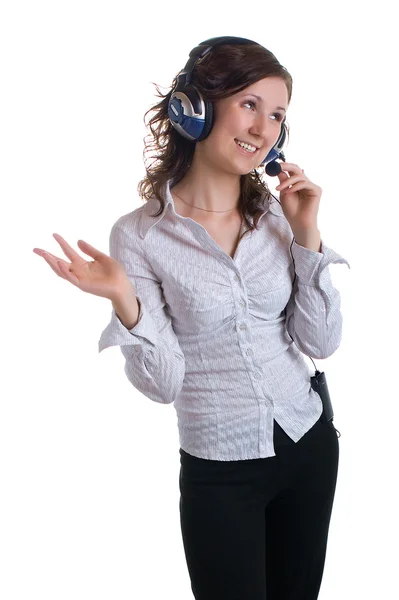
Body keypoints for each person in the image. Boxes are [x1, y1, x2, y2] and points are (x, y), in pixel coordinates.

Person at [33, 36, 350, 600]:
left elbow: (320, 342)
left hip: (309, 442)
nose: (263, 128)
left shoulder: (279, 215)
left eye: (277, 114)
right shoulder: (139, 235)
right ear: (194, 108)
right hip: (220, 465)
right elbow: (164, 385)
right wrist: (124, 300)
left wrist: (307, 235)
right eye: (249, 105)